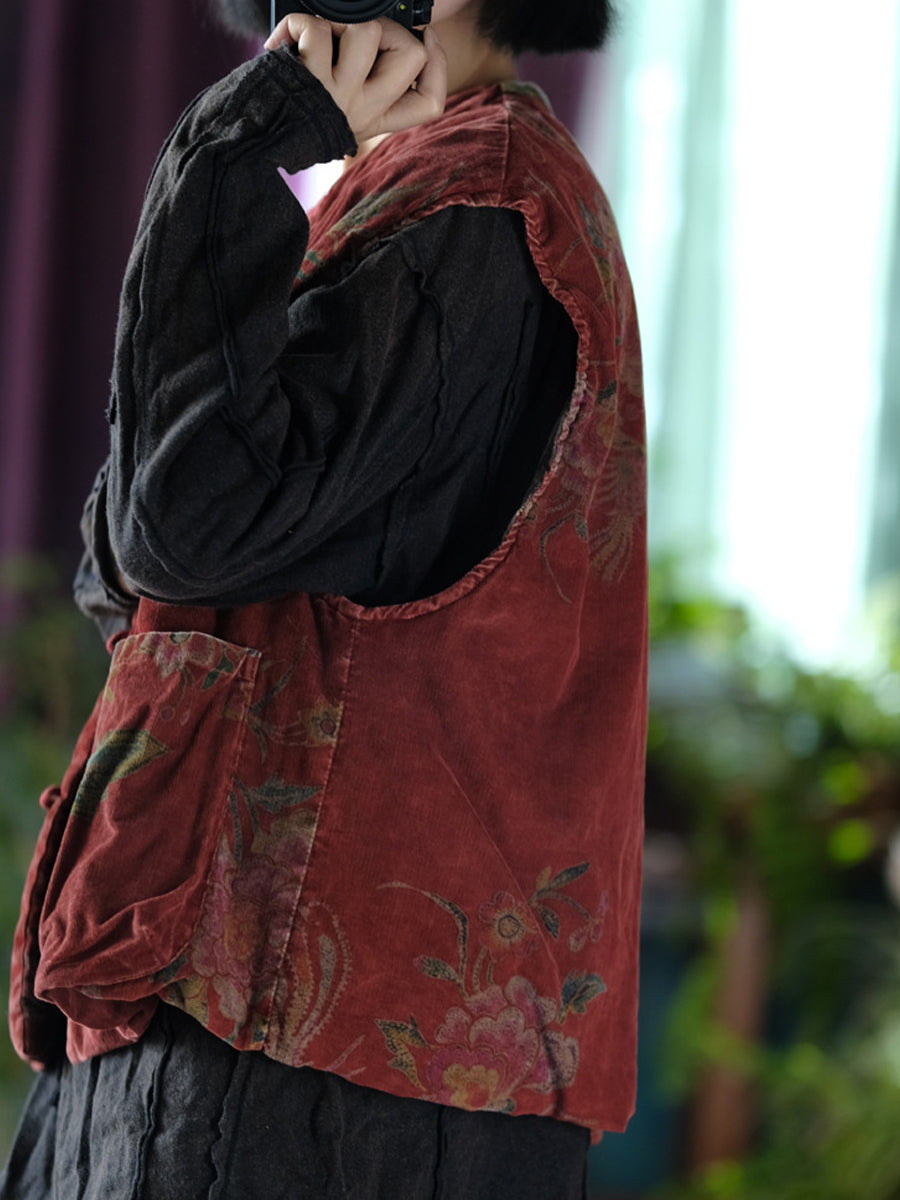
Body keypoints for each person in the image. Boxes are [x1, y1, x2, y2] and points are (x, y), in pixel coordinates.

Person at [2, 0, 647, 1195]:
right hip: (263, 1036)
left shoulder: (479, 212)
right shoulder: (425, 196)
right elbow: (136, 567)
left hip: (300, 1067)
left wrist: (231, 142)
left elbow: (175, 536)